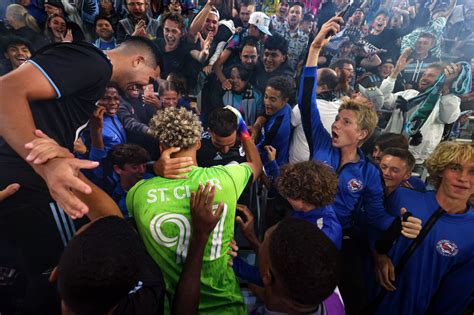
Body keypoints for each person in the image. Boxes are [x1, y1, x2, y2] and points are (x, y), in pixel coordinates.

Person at [0, 36, 158, 313]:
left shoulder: (93, 74)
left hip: (23, 189)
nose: (147, 86)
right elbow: (4, 92)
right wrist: (47, 166)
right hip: (28, 188)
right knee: (71, 281)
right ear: (138, 60)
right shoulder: (95, 62)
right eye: (150, 77)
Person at [300, 17, 423, 314]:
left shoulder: (369, 172)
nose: (336, 125)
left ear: (363, 134)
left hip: (340, 245)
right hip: (303, 234)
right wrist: (315, 48)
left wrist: (399, 225)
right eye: (337, 119)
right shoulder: (320, 141)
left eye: (346, 122)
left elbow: (376, 217)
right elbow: (306, 101)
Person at [126, 107, 262, 313]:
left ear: (162, 147)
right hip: (225, 305)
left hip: (168, 306)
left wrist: (154, 168)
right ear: (198, 143)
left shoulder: (137, 194)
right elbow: (256, 165)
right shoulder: (227, 179)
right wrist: (243, 131)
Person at [371, 142, 474, 315]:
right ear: (441, 169)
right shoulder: (402, 197)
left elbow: (456, 294)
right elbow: (372, 230)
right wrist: (378, 256)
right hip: (365, 297)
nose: (463, 178)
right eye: (455, 168)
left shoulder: (471, 232)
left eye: (472, 171)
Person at [255, 75, 293, 167]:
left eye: (272, 99)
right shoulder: (285, 108)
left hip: (271, 169)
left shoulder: (277, 128)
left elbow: (259, 152)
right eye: (266, 97)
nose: (267, 102)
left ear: (284, 100)